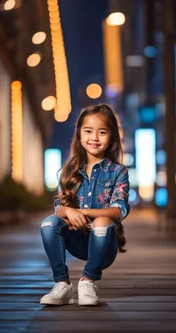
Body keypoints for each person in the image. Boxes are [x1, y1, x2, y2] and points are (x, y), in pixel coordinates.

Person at [40, 104, 130, 306]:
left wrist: (84, 212)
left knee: (103, 220)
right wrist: (69, 211)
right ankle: (62, 285)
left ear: (112, 137)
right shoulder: (69, 171)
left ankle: (88, 282)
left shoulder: (119, 172)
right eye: (88, 131)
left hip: (105, 243)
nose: (94, 138)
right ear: (79, 135)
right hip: (76, 240)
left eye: (102, 132)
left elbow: (120, 209)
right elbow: (59, 207)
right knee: (49, 223)